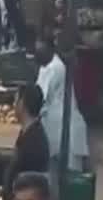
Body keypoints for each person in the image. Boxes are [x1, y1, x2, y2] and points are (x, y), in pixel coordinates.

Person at [0, 84, 50, 200]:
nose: (13, 105)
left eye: (15, 101)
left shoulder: (35, 140)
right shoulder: (26, 132)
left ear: (22, 104)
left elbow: (37, 181)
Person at [35, 38, 89, 177]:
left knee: (71, 174)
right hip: (55, 124)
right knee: (55, 171)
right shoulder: (46, 65)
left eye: (40, 50)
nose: (37, 55)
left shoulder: (55, 68)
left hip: (65, 126)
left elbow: (41, 97)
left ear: (50, 50)